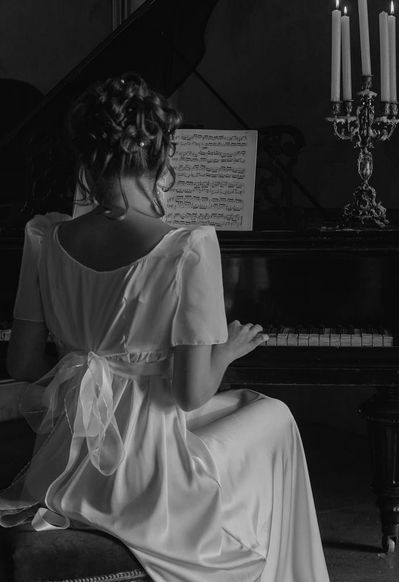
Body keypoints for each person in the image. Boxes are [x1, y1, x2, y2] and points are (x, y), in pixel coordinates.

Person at [0, 72, 330, 582]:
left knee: (243, 412)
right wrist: (228, 350)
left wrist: (85, 377)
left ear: (87, 155)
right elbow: (190, 393)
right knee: (274, 417)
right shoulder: (188, 245)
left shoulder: (45, 236)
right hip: (150, 479)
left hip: (67, 456)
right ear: (159, 154)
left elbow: (21, 365)